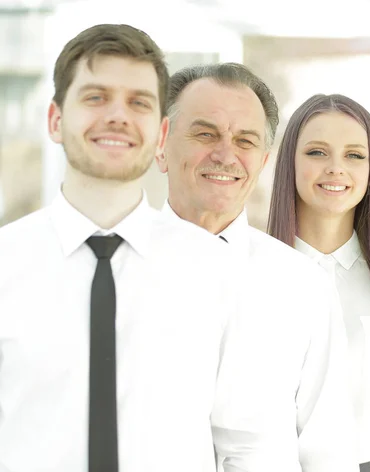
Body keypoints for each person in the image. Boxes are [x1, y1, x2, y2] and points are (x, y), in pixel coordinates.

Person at [0, 24, 239, 472]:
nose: (117, 115)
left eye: (139, 102)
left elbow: (248, 445)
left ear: (161, 132)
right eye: (95, 97)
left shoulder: (217, 270)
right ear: (55, 120)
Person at [156, 63, 359, 472]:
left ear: (264, 160)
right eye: (205, 133)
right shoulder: (115, 271)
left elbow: (328, 448)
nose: (225, 154)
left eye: (245, 141)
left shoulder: (304, 285)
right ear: (161, 145)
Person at [266, 93, 370, 472]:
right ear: (288, 162)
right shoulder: (252, 277)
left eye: (355, 156)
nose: (336, 169)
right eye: (316, 152)